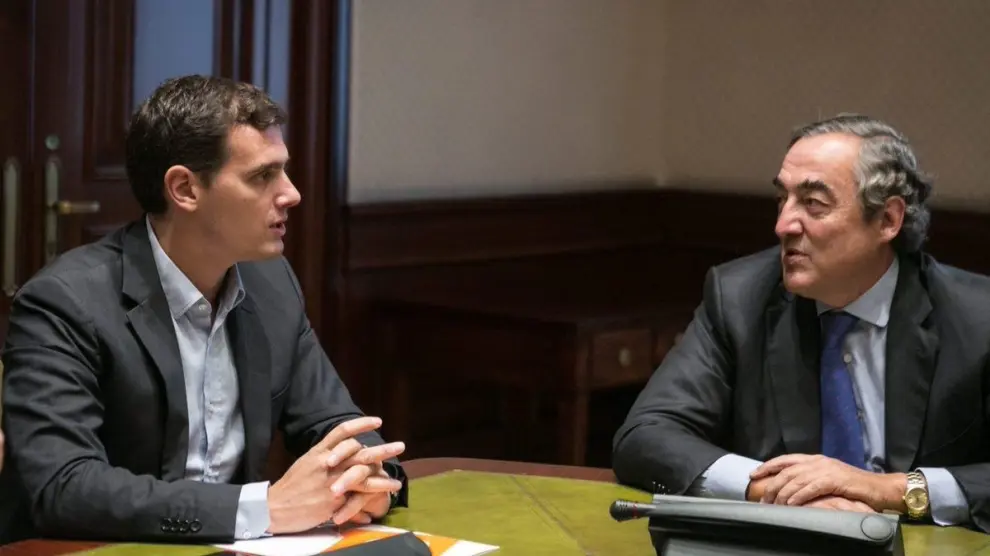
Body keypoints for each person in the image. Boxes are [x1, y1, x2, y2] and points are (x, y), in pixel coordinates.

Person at [0, 75, 408, 544]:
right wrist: (264, 509)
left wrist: (369, 480)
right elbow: (63, 485)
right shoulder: (64, 301)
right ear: (185, 189)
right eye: (262, 176)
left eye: (284, 170)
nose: (291, 193)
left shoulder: (271, 283)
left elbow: (333, 424)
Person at [613, 114, 990, 533]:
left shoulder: (977, 319)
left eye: (813, 203)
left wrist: (890, 490)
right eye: (783, 199)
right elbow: (645, 434)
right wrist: (779, 491)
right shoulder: (740, 299)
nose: (783, 226)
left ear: (887, 220)